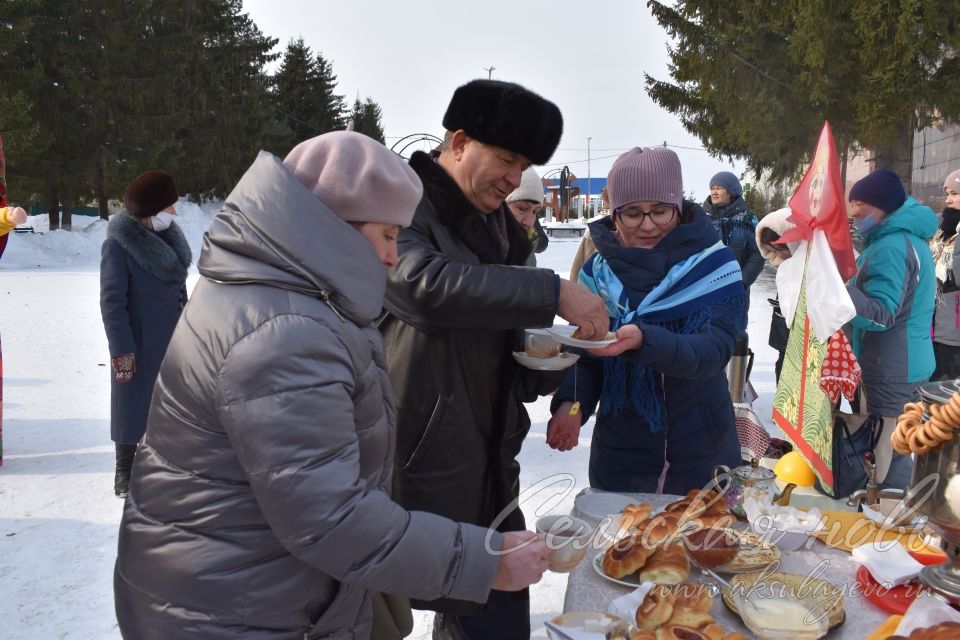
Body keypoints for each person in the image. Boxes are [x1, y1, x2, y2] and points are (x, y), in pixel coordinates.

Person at [114, 132, 550, 640]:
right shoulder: (285, 333)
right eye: (388, 235)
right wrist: (482, 562)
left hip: (242, 586)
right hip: (233, 609)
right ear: (334, 228)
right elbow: (332, 519)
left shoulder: (285, 292)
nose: (393, 257)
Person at [379, 79, 607, 640]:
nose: (513, 178)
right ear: (458, 142)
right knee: (382, 611)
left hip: (486, 455)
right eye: (506, 159)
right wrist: (549, 290)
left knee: (495, 616)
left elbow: (485, 323)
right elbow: (423, 288)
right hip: (413, 454)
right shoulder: (400, 205)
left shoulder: (497, 228)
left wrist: (535, 364)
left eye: (524, 165)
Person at [545, 147, 746, 494]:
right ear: (615, 214)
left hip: (700, 452)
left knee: (700, 545)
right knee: (622, 545)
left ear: (678, 208)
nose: (648, 225)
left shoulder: (715, 267)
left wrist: (644, 340)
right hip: (621, 455)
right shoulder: (597, 272)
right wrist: (570, 404)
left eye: (660, 211)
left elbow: (713, 351)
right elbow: (586, 354)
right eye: (633, 214)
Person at [99, 171, 190, 497]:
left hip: (172, 338)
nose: (174, 214)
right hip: (136, 341)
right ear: (152, 209)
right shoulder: (118, 247)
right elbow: (112, 303)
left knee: (170, 405)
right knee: (131, 404)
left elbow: (180, 293)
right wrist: (122, 350)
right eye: (170, 207)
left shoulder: (169, 242)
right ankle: (125, 469)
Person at [846, 168, 937, 488]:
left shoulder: (892, 246)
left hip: (893, 365)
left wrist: (840, 292)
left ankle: (890, 518)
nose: (854, 212)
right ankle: (891, 508)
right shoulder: (897, 239)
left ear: (884, 207)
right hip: (904, 360)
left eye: (861, 205)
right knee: (897, 442)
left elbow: (882, 314)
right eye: (852, 203)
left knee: (891, 446)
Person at [703, 171, 764, 297]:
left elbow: (757, 254)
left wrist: (741, 283)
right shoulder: (702, 219)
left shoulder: (747, 219)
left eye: (719, 188)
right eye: (712, 188)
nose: (714, 192)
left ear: (731, 191)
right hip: (704, 291)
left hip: (736, 293)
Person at [930, 169, 960, 380]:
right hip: (933, 326)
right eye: (947, 193)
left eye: (955, 194)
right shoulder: (942, 226)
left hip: (954, 334)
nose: (948, 200)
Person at [505, 167, 548, 266]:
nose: (529, 222)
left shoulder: (528, 241)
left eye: (535, 211)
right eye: (522, 208)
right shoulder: (477, 250)